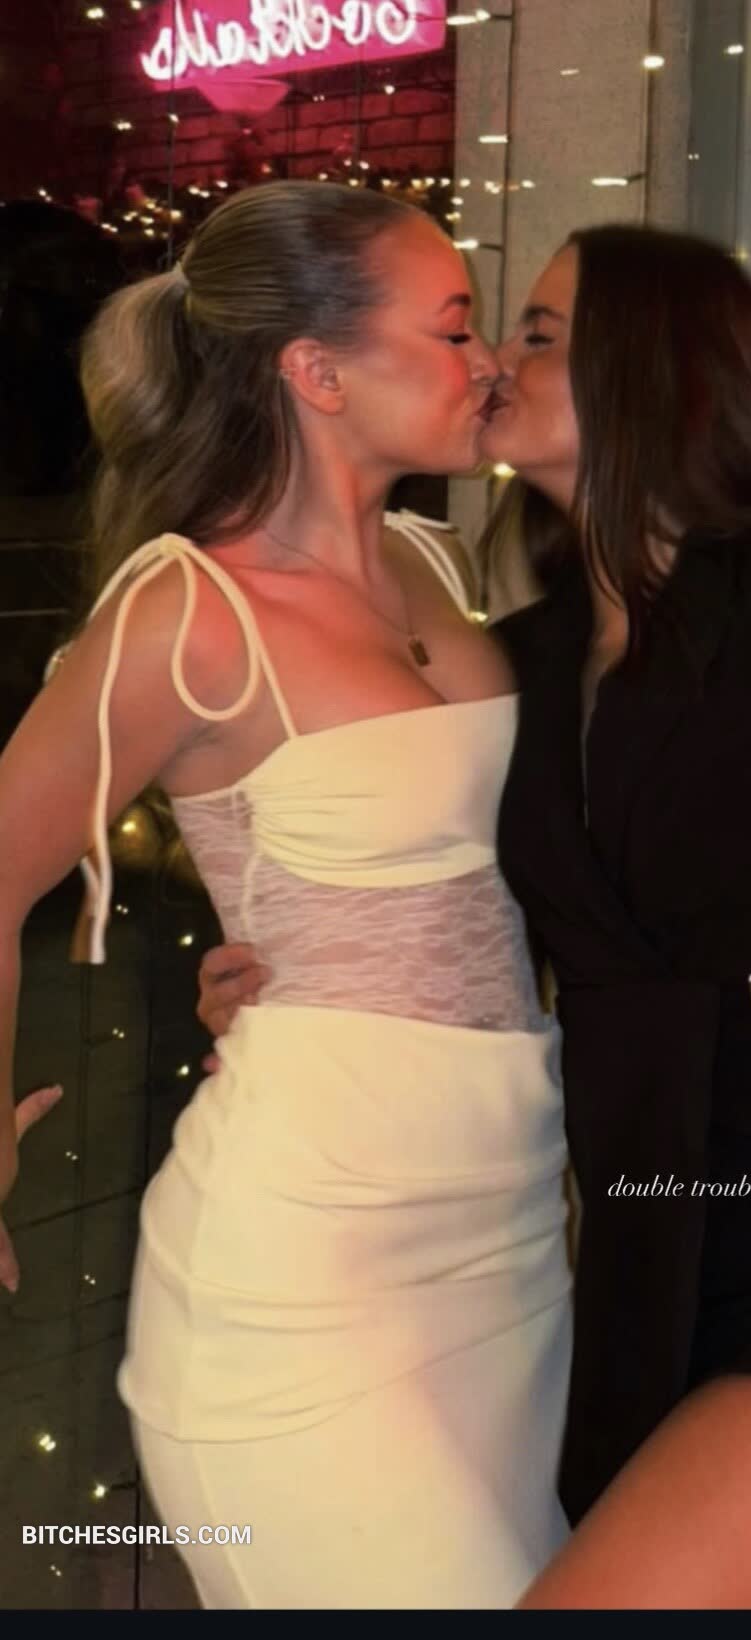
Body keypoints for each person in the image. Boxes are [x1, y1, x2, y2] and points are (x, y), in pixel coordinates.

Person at [202, 224, 751, 1609]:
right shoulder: (510, 668)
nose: (494, 360)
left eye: (538, 332)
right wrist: (284, 971)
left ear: (654, 365)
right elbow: (438, 918)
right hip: (658, 1296)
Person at [0, 181, 572, 1609]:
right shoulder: (189, 611)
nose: (485, 361)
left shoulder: (435, 565)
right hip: (304, 1270)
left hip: (507, 1233)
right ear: (317, 371)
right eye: (452, 328)